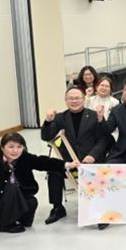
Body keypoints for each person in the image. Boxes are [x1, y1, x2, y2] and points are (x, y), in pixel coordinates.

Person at [40, 86, 110, 224]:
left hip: (90, 159)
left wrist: (93, 155)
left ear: (84, 99)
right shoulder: (60, 117)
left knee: (97, 172)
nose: (74, 101)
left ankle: (98, 209)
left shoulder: (94, 115)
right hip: (69, 162)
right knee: (53, 170)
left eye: (77, 98)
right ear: (65, 101)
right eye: (70, 98)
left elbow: (104, 138)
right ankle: (57, 208)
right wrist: (48, 121)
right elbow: (46, 137)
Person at [0, 133, 77, 233]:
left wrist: (66, 164)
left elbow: (43, 162)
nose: (15, 151)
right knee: (11, 187)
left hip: (16, 197)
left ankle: (10, 218)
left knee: (31, 204)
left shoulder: (24, 157)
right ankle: (5, 224)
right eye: (11, 147)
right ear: (2, 148)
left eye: (19, 147)